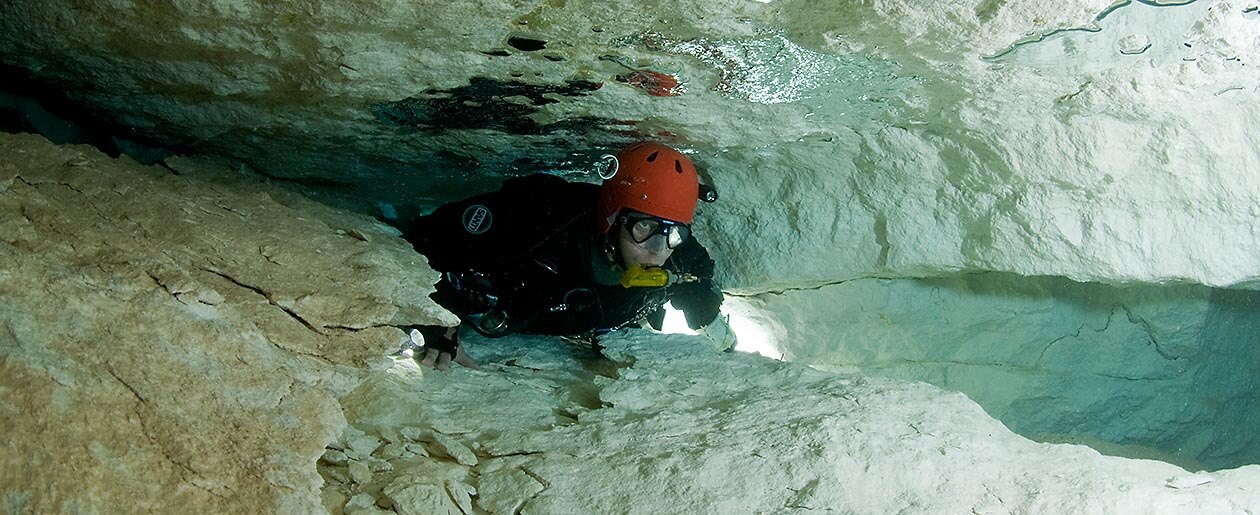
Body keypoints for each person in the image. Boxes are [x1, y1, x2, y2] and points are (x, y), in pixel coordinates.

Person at [404, 142, 733, 370]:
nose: (657, 249)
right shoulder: (539, 219)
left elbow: (701, 294)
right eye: (643, 226)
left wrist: (718, 332)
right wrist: (435, 318)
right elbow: (424, 240)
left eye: (674, 232)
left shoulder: (681, 255)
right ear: (611, 216)